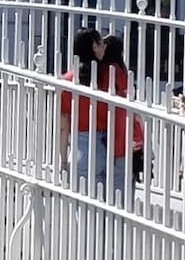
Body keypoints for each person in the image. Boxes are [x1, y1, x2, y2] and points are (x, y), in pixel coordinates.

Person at [58, 28, 119, 196]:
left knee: (83, 210)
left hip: (81, 145)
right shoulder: (109, 77)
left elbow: (63, 127)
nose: (104, 47)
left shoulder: (68, 81)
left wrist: (63, 161)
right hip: (108, 145)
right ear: (93, 47)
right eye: (100, 43)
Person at [99, 35, 144, 184]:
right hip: (123, 128)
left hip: (109, 127)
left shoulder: (105, 69)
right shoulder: (120, 69)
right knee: (121, 179)